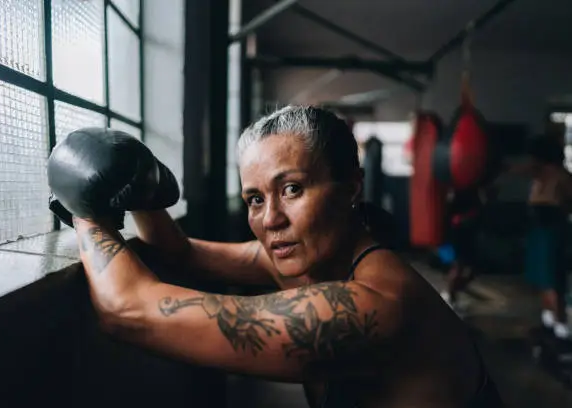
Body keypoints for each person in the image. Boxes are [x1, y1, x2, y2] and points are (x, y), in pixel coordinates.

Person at [48, 106, 504, 407]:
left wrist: (85, 208)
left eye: (292, 189)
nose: (271, 220)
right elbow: (183, 254)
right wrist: (144, 197)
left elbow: (127, 310)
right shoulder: (307, 260)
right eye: (254, 199)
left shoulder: (372, 305)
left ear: (351, 188)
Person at [503, 135, 572, 341]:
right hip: (539, 228)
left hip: (552, 228)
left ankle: (560, 322)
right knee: (543, 276)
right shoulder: (539, 173)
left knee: (551, 277)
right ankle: (551, 318)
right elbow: (513, 169)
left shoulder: (561, 176)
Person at [441, 187, 486, 315]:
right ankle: (448, 296)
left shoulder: (473, 189)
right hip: (459, 230)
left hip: (468, 230)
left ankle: (451, 295)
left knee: (470, 269)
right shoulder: (458, 189)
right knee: (458, 266)